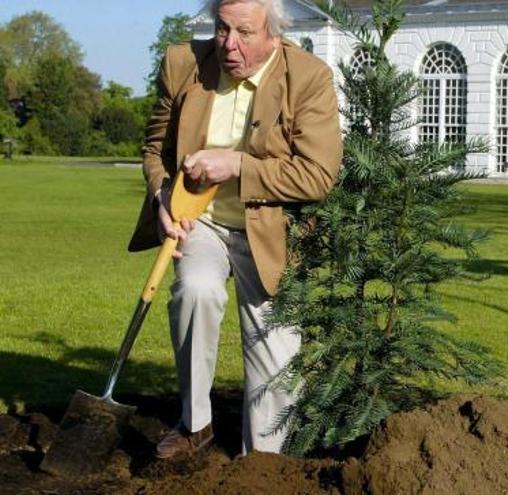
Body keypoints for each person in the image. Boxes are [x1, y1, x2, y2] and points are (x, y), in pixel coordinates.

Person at [127, 0, 342, 458]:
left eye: (244, 32)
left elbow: (318, 176)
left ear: (273, 33)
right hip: (200, 222)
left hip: (272, 232)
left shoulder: (308, 77)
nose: (229, 44)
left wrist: (238, 165)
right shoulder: (184, 64)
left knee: (274, 360)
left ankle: (261, 462)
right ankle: (195, 424)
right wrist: (163, 196)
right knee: (195, 292)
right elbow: (154, 150)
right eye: (222, 29)